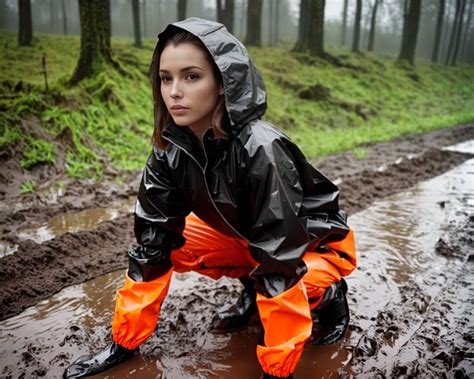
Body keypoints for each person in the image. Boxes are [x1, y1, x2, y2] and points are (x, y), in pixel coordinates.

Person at [64, 17, 356, 379]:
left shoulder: (261, 148)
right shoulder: (168, 149)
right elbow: (153, 244)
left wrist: (276, 371)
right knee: (171, 242)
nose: (174, 91)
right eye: (166, 78)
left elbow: (281, 256)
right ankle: (252, 285)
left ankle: (330, 297)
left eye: (191, 76)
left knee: (293, 279)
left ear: (222, 83)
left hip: (313, 246)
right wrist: (122, 345)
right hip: (247, 239)